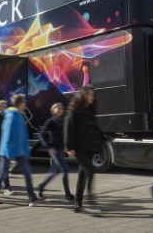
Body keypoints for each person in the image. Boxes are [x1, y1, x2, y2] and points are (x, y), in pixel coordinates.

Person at [0, 94, 44, 207]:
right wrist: (11, 154)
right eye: (24, 101)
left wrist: (26, 150)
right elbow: (7, 135)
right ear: (20, 103)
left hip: (20, 151)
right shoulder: (11, 116)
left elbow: (23, 136)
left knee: (27, 173)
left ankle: (32, 198)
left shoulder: (20, 115)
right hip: (7, 151)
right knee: (3, 173)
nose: (25, 102)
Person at [66, 85, 105, 214]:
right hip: (79, 148)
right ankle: (91, 199)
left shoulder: (90, 111)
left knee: (82, 176)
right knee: (90, 170)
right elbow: (69, 128)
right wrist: (70, 147)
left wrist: (105, 137)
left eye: (93, 95)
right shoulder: (74, 111)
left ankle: (78, 204)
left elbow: (95, 129)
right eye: (89, 95)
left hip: (89, 147)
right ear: (83, 96)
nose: (92, 97)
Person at [37, 103, 74, 202]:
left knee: (55, 171)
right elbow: (41, 133)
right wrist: (49, 146)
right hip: (54, 150)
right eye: (58, 108)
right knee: (65, 170)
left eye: (62, 108)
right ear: (53, 110)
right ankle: (68, 195)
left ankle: (41, 186)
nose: (60, 109)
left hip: (61, 149)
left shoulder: (63, 120)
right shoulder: (51, 121)